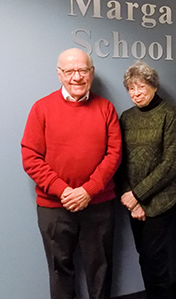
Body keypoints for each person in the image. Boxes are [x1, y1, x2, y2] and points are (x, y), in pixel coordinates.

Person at [21, 48, 121, 299]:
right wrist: (63, 191)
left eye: (83, 70)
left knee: (101, 268)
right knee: (59, 269)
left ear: (92, 73)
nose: (77, 77)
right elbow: (31, 157)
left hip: (98, 204)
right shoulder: (41, 108)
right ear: (59, 74)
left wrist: (88, 190)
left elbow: (114, 154)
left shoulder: (106, 108)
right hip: (54, 207)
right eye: (70, 71)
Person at [116, 61, 176, 299]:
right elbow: (119, 160)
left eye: (141, 87)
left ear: (154, 87)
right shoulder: (126, 117)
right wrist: (131, 199)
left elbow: (170, 164)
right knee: (144, 254)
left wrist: (138, 196)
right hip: (132, 199)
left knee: (154, 257)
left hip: (163, 199)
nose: (136, 93)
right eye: (131, 89)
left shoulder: (170, 115)